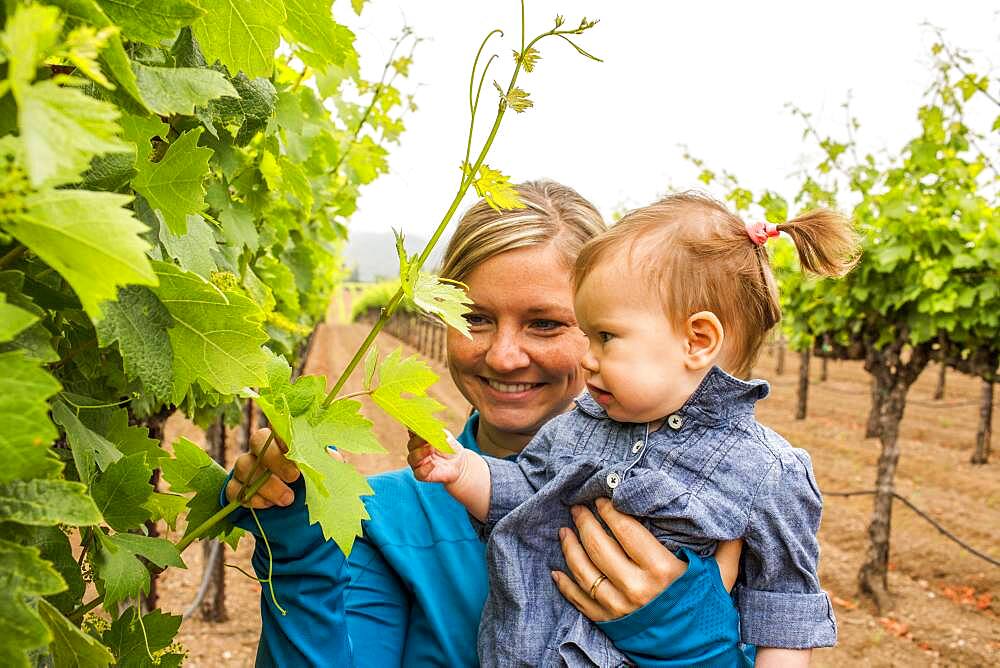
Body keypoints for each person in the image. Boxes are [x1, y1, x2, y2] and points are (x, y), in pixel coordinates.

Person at [224, 181, 744, 667]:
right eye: (474, 318)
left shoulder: (708, 503)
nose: (503, 355)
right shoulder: (380, 521)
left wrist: (692, 638)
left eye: (545, 324)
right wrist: (297, 547)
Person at [409, 192, 856, 666]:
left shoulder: (767, 472)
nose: (588, 356)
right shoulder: (580, 423)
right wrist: (463, 471)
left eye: (604, 336)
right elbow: (522, 489)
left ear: (697, 340)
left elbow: (783, 615)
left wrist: (697, 647)